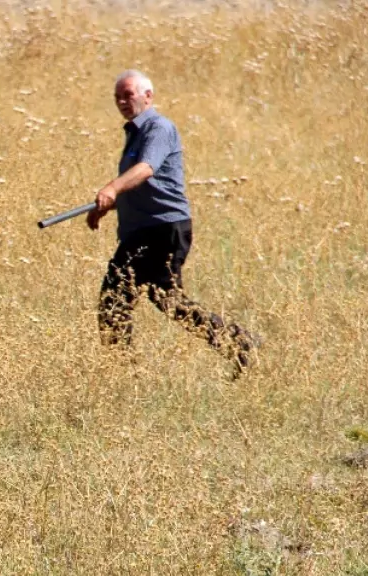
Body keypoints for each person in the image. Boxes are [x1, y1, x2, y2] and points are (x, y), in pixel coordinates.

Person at [87, 69, 260, 376]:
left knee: (151, 300)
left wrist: (112, 188)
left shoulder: (158, 128)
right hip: (142, 231)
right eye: (118, 97)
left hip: (163, 229)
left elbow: (146, 170)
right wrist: (109, 204)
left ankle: (239, 343)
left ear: (148, 96)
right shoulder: (135, 133)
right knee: (122, 301)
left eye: (128, 95)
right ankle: (124, 372)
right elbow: (143, 186)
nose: (122, 102)